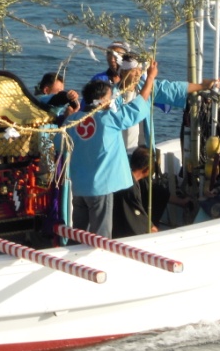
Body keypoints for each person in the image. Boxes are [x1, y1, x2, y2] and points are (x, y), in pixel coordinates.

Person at [64, 60, 158, 238]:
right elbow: (138, 106)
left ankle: (74, 258)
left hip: (78, 187)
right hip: (100, 186)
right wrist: (150, 78)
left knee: (79, 232)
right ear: (103, 100)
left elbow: (57, 143)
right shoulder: (109, 119)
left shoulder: (72, 121)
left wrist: (69, 116)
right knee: (101, 235)